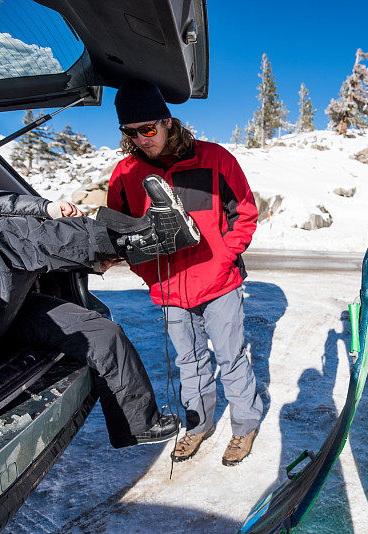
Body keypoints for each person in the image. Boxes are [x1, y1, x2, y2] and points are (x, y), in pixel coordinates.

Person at [0, 136, 199, 449]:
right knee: (10, 233)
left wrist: (88, 258)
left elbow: (32, 251)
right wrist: (44, 207)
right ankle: (144, 236)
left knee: (99, 331)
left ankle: (139, 424)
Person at [107, 79, 262, 466]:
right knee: (188, 362)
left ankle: (244, 426)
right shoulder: (125, 174)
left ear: (168, 122)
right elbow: (121, 233)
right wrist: (148, 273)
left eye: (148, 129)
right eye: (131, 132)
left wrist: (221, 260)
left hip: (220, 283)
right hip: (170, 290)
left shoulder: (215, 158)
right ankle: (197, 425)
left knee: (232, 358)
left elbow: (244, 215)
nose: (142, 139)